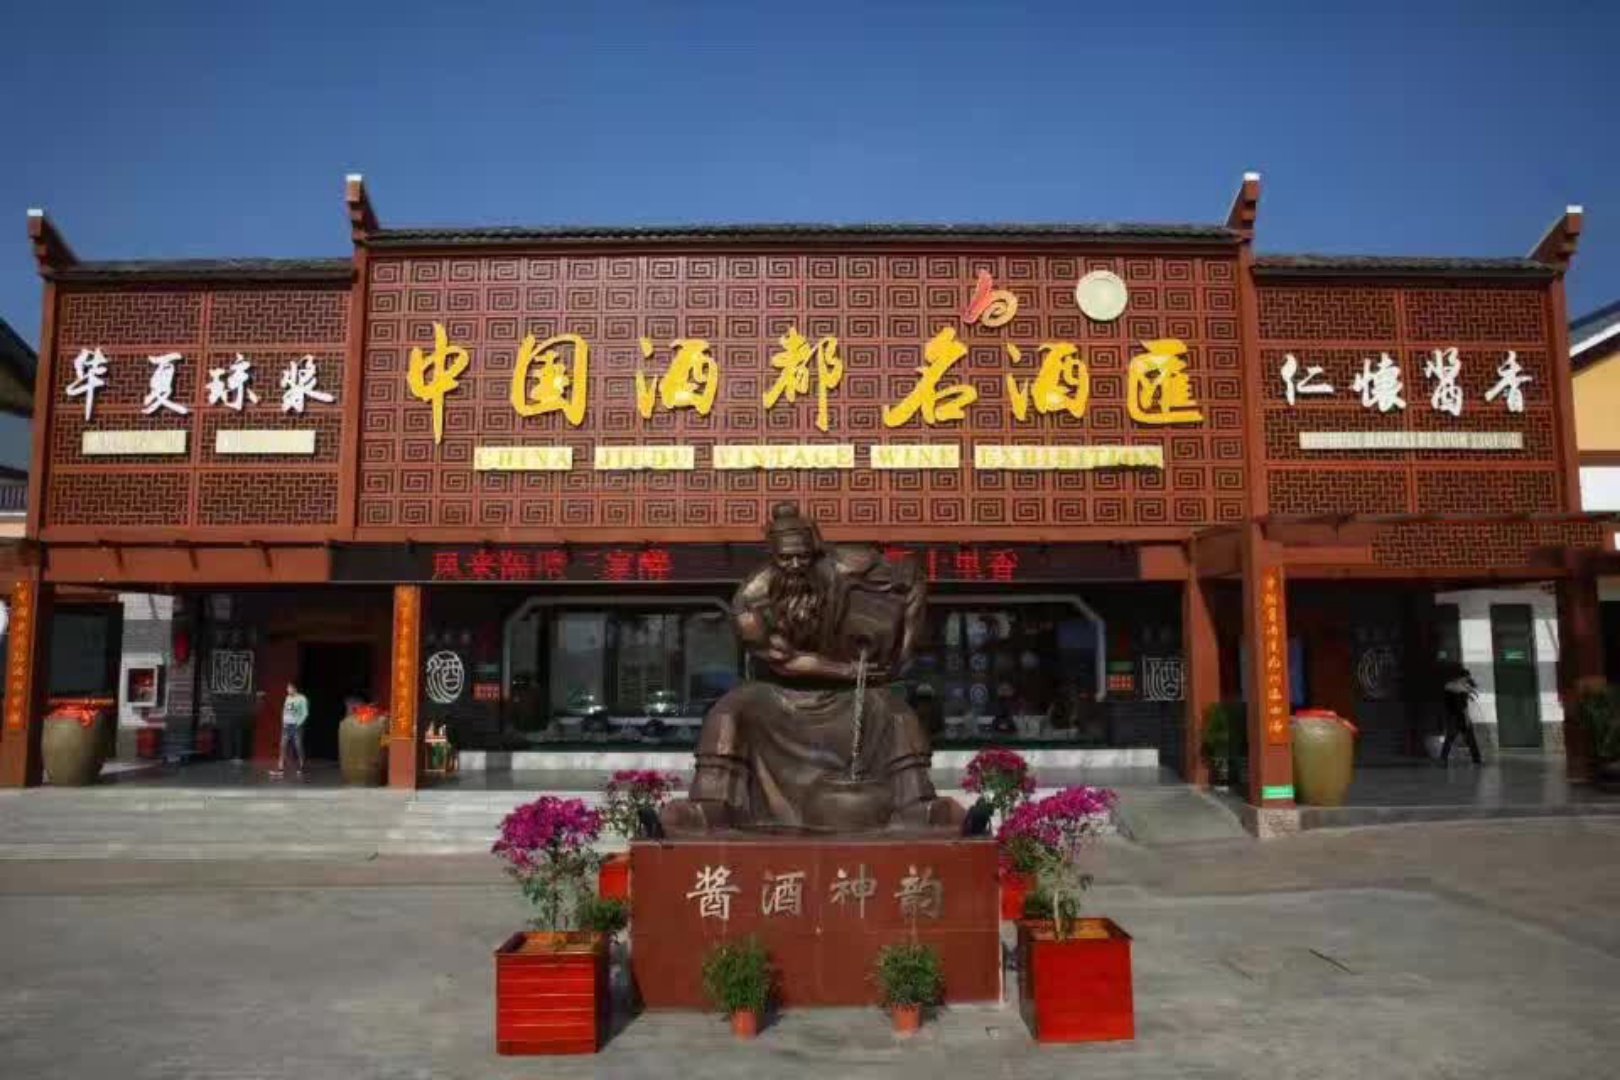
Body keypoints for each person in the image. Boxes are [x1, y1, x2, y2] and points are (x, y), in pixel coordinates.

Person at [663, 501, 961, 832]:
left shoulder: (844, 567)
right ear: (772, 555)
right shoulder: (750, 601)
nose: (795, 565)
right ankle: (711, 805)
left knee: (894, 711)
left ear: (814, 551)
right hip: (778, 694)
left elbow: (911, 578)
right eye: (785, 558)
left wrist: (902, 646)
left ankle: (918, 803)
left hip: (848, 693)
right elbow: (786, 661)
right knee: (730, 710)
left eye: (802, 556)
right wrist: (847, 670)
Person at [1440, 666, 1482, 765]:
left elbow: (1463, 689)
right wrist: (1467, 719)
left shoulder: (1449, 687)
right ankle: (1476, 759)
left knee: (1450, 738)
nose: (1466, 681)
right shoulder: (1461, 690)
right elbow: (1463, 707)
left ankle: (1443, 758)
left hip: (1451, 716)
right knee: (1470, 739)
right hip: (1461, 717)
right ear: (1463, 677)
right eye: (1466, 678)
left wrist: (1469, 692)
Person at [271, 681, 310, 779]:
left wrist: (298, 723)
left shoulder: (302, 698)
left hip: (296, 726)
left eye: (289, 688)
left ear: (294, 688)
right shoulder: (287, 698)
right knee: (282, 746)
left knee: (298, 746)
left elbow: (305, 713)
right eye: (287, 688)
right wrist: (283, 722)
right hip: (286, 726)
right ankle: (280, 768)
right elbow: (285, 710)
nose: (287, 690)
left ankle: (301, 766)